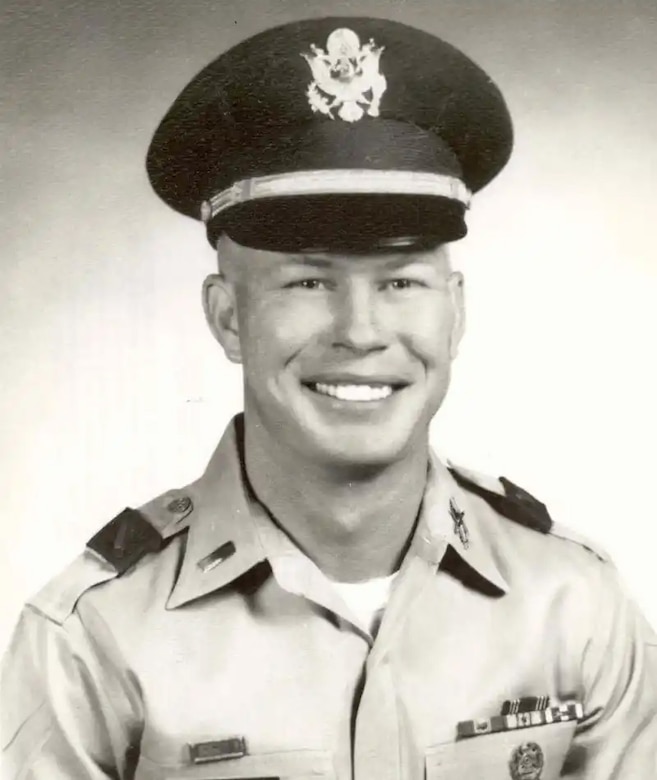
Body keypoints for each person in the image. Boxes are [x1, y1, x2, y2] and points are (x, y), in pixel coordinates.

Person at [2, 15, 656, 780]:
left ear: (456, 315)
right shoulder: (94, 635)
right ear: (227, 317)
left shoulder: (571, 604)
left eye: (400, 281)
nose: (359, 331)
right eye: (307, 280)